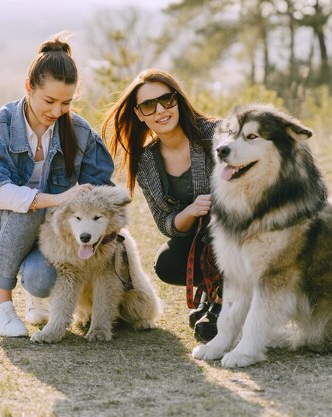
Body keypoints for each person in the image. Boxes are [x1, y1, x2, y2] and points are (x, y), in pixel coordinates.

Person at [0, 34, 114, 337]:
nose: (57, 110)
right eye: (49, 100)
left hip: (54, 235)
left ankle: (36, 296)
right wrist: (55, 199)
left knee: (41, 280)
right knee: (29, 205)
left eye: (66, 102)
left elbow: (101, 189)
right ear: (29, 87)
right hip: (3, 231)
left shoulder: (80, 132)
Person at [101, 69, 221, 341]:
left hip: (238, 230)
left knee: (220, 229)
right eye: (148, 105)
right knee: (167, 263)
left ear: (177, 100)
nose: (160, 110)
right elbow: (166, 223)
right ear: (139, 114)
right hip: (195, 239)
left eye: (166, 100)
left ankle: (220, 306)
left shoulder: (216, 134)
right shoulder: (145, 162)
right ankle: (209, 291)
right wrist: (190, 212)